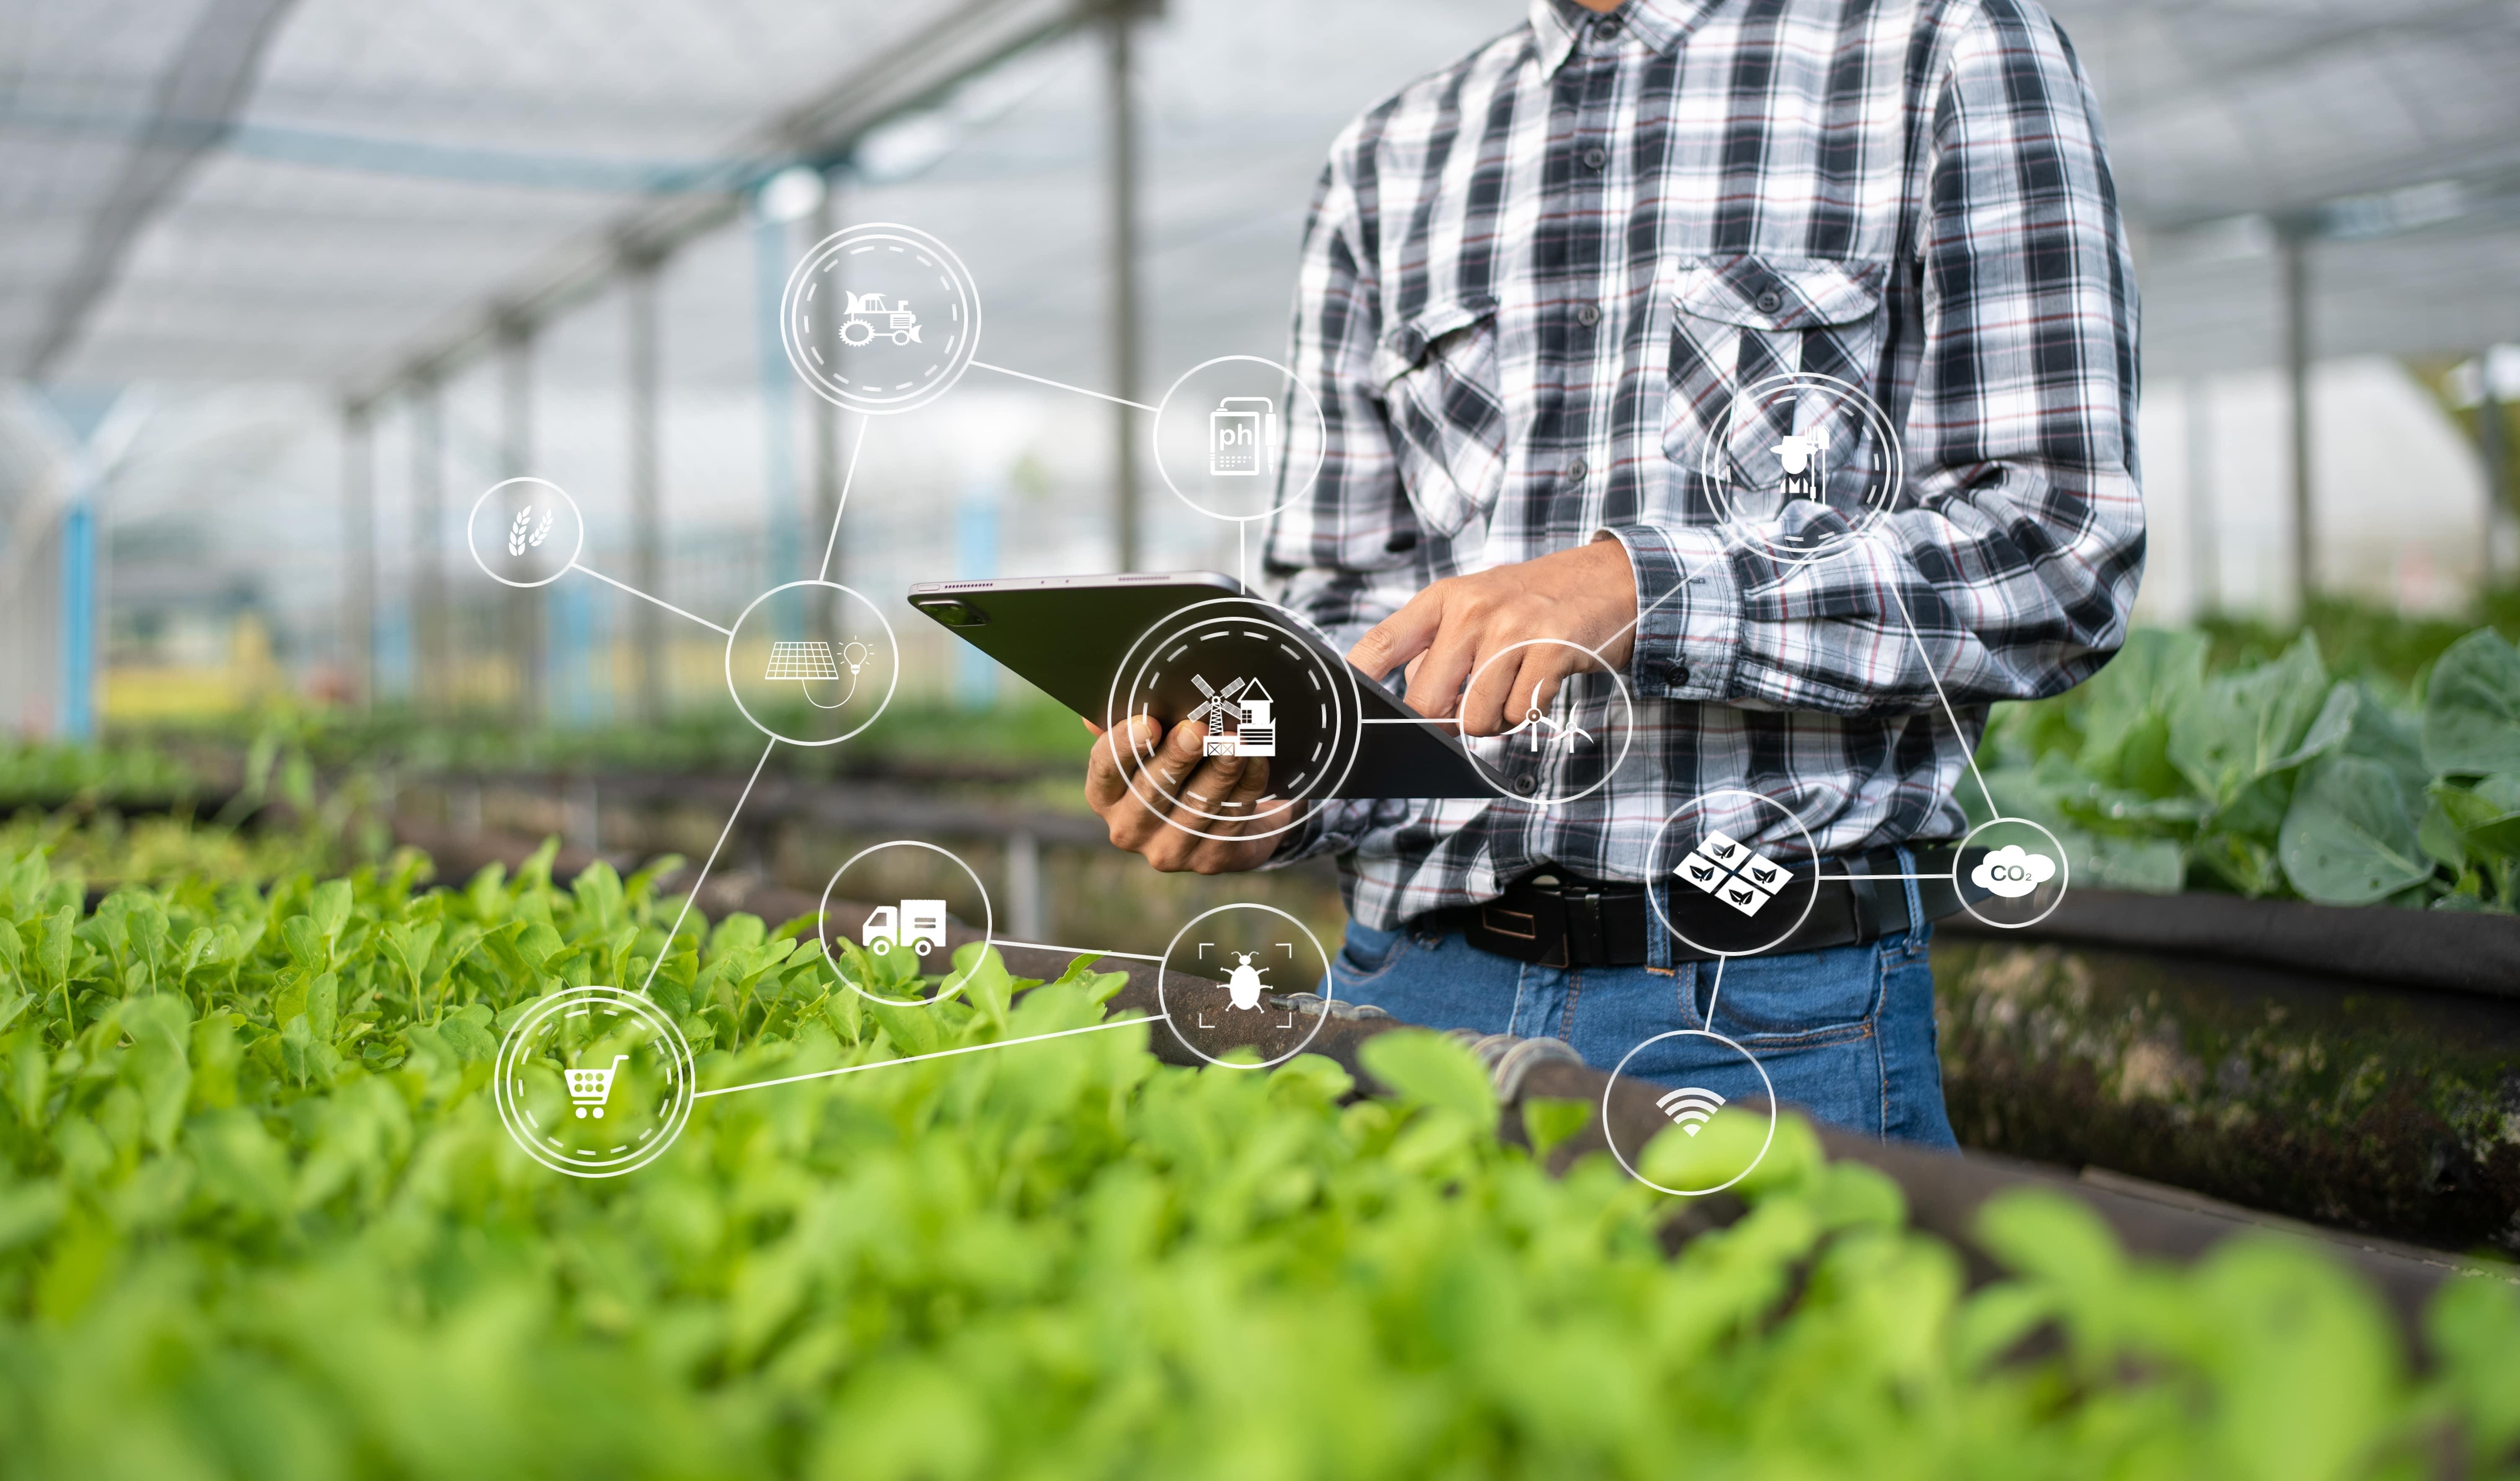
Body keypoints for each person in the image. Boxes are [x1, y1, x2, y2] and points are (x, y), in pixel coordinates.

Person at [1084, 0, 2143, 1147]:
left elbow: (2059, 544)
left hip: (1766, 1016)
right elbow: (1341, 606)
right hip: (1407, 996)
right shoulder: (1390, 159)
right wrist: (1267, 791)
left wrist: (1646, 590)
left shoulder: (1936, 49)